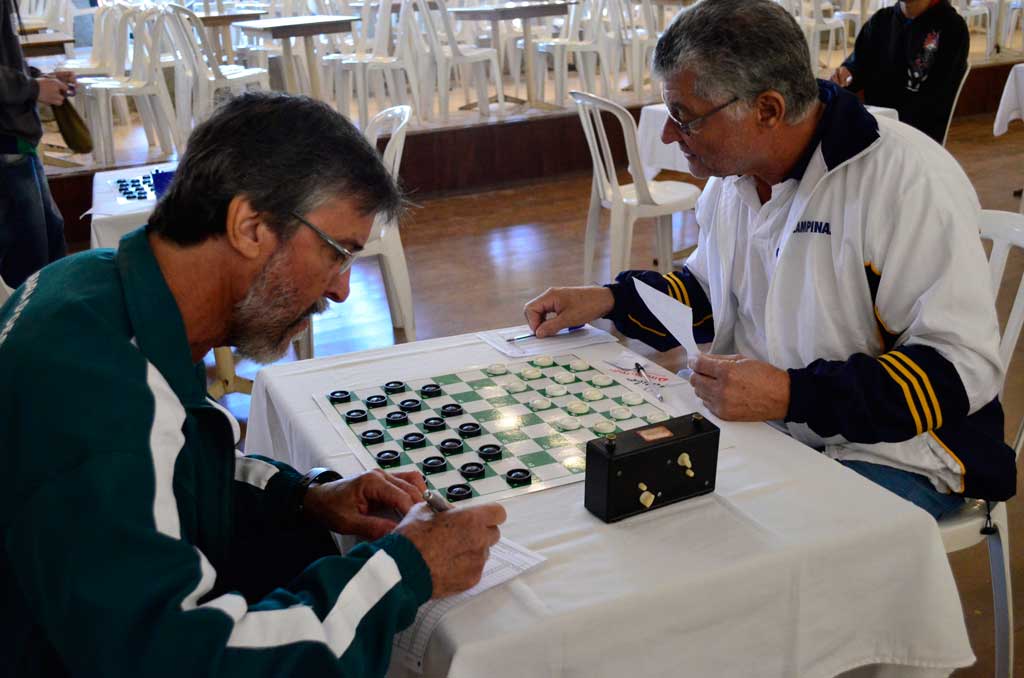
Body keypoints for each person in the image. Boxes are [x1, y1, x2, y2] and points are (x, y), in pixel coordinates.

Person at [0, 92, 506, 677]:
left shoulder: (99, 285)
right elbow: (182, 662)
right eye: (337, 252)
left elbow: (165, 467)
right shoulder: (98, 386)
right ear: (249, 226)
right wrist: (404, 569)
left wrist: (302, 498)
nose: (342, 289)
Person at [525, 0, 1015, 519]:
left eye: (684, 118)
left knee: (749, 552)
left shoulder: (907, 181)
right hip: (770, 427)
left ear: (768, 110)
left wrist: (792, 395)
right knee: (642, 514)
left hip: (900, 453)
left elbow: (961, 370)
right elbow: (708, 295)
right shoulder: (736, 177)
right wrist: (609, 299)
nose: (669, 136)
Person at [0, 0, 74, 288]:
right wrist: (31, 88)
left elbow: (7, 62)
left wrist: (40, 79)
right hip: (7, 146)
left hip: (17, 142)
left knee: (49, 241)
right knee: (29, 264)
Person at [830, 0, 969, 144]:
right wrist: (846, 74)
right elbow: (857, 65)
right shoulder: (882, 20)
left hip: (915, 138)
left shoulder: (951, 28)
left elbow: (938, 99)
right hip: (874, 127)